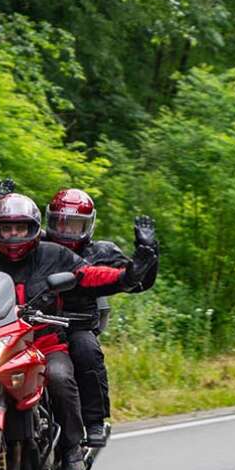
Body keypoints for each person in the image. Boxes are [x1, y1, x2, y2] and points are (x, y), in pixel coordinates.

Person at [0, 194, 156, 470]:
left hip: (44, 341)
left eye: (20, 228)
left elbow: (88, 275)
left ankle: (73, 447)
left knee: (60, 376)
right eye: (6, 228)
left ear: (33, 228)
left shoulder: (54, 254)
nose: (13, 234)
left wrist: (127, 275)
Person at [42, 188, 159, 447]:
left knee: (86, 349)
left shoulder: (102, 252)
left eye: (74, 225)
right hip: (34, 325)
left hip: (77, 324)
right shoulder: (35, 246)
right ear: (48, 220)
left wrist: (149, 252)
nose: (65, 231)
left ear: (88, 225)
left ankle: (93, 421)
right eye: (60, 223)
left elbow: (136, 281)